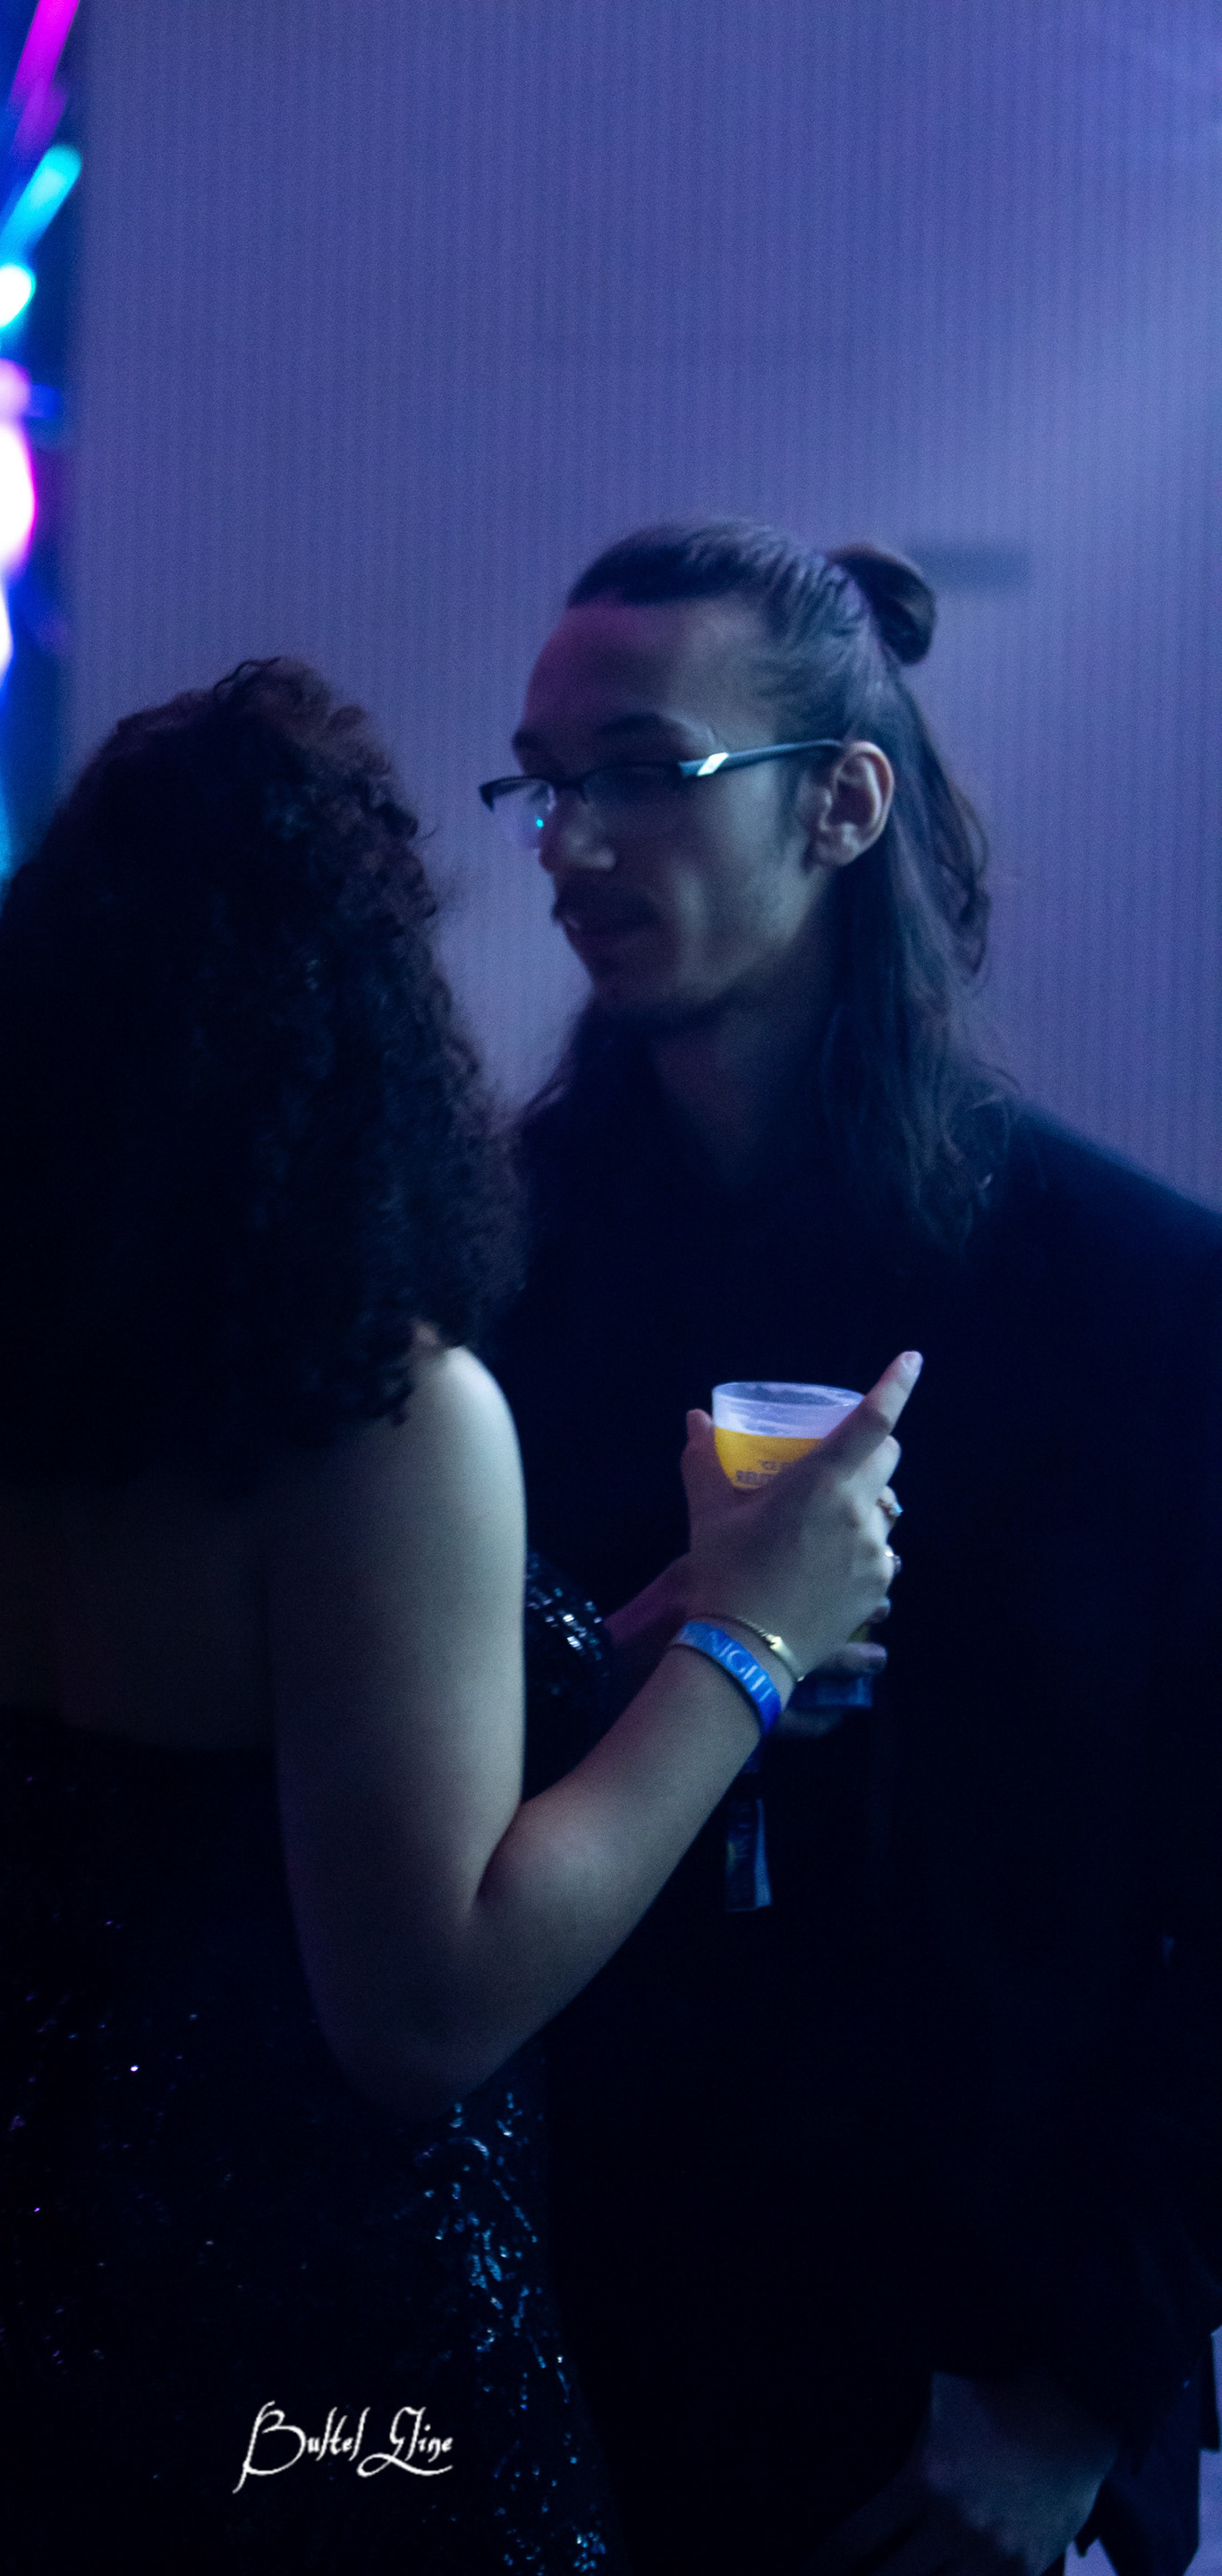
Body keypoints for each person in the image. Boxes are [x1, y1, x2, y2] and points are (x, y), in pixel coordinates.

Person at [0, 659, 912, 2572]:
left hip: (4, 2318)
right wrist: (755, 1643)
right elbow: (422, 2012)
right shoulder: (375, 1420)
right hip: (319, 2397)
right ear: (367, 1017)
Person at [484, 520, 1222, 2576]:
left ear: (841, 805)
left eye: (646, 772)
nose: (572, 843)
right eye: (547, 784)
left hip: (964, 2384)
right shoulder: (484, 1277)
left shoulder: (1129, 1301)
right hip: (558, 2333)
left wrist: (1089, 2379)